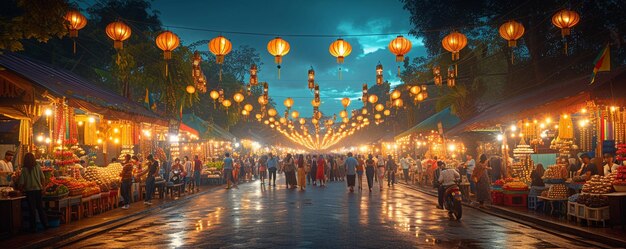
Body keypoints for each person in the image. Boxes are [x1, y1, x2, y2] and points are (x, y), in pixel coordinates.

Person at [17, 152, 48, 232]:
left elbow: (21, 183)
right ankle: (45, 225)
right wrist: (43, 188)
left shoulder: (24, 169)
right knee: (40, 208)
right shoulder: (37, 166)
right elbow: (43, 178)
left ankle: (33, 227)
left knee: (32, 210)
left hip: (29, 192)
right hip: (38, 190)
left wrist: (19, 189)